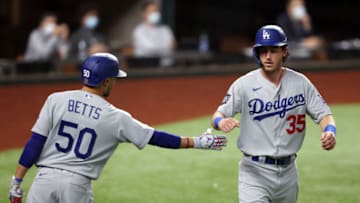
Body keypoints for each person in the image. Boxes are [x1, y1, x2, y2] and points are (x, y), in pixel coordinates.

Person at [8, 52, 226, 203]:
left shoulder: (55, 99)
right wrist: (198, 142)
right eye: (114, 79)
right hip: (75, 186)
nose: (115, 83)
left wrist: (17, 180)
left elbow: (35, 142)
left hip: (43, 181)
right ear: (105, 82)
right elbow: (155, 137)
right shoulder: (115, 117)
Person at [211, 25, 336, 203]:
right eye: (263, 51)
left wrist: (330, 131)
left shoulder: (301, 83)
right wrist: (220, 122)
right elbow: (217, 115)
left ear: (284, 51)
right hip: (254, 171)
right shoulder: (244, 85)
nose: (268, 57)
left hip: (289, 172)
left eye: (273, 50)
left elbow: (324, 114)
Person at [132, 1, 176, 66]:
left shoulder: (165, 29)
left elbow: (172, 47)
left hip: (167, 67)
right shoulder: (139, 31)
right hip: (146, 68)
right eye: (152, 11)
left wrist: (164, 48)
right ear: (144, 14)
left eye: (156, 11)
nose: (155, 13)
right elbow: (150, 49)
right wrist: (166, 48)